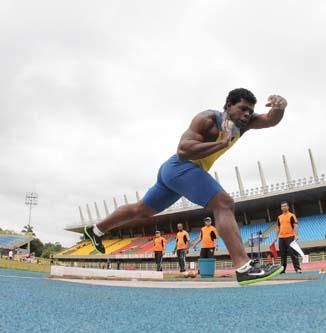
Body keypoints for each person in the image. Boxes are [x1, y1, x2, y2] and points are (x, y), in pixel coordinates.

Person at [83, 88, 286, 284]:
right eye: (242, 109)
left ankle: (96, 230)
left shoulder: (245, 123)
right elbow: (183, 150)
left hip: (177, 174)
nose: (247, 114)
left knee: (142, 210)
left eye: (250, 111)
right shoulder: (207, 119)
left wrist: (279, 107)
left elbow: (270, 120)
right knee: (224, 203)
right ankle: (244, 268)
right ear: (228, 105)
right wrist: (221, 142)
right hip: (180, 167)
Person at [275, 201, 302, 274]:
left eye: (285, 206)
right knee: (282, 255)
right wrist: (276, 237)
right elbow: (277, 227)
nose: (284, 207)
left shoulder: (292, 215)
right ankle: (282, 270)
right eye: (282, 206)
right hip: (281, 238)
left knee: (293, 253)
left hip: (290, 236)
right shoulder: (279, 217)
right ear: (281, 208)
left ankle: (297, 269)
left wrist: (296, 235)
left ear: (288, 207)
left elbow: (295, 225)